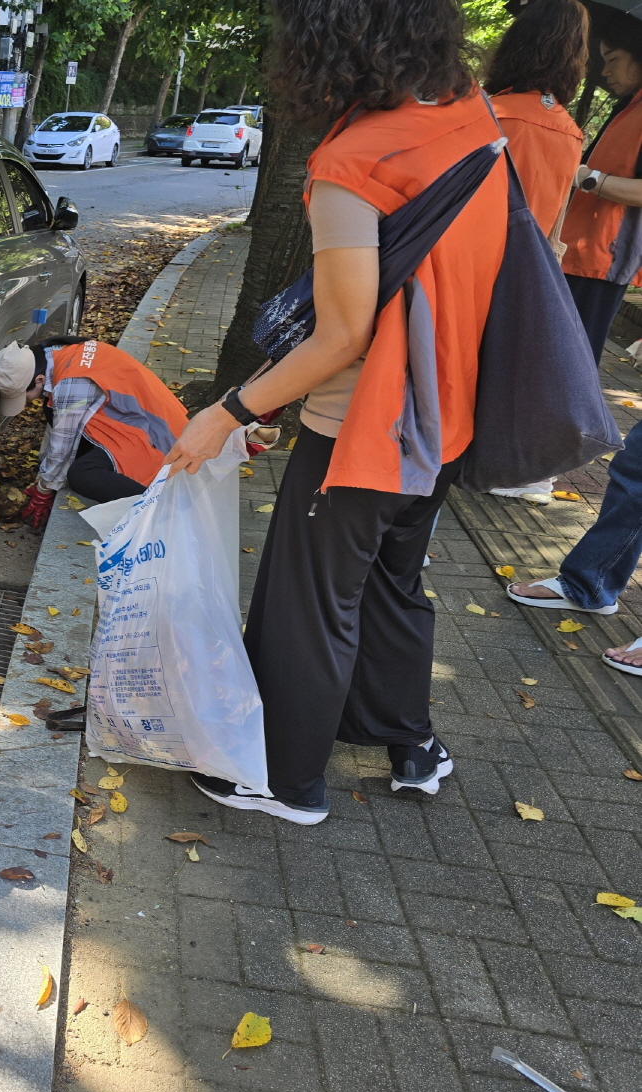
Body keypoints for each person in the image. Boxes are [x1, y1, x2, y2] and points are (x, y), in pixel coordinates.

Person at [163, 0, 509, 824]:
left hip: (364, 429)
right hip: (446, 417)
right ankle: (396, 732)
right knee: (391, 585)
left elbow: (346, 331)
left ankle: (284, 779)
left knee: (307, 602)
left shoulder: (353, 160)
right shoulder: (471, 118)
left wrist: (230, 410)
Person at [507, 11, 642, 675]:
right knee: (636, 466)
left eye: (614, 58)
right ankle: (592, 580)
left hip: (603, 257)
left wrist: (588, 180)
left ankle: (540, 474)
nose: (605, 68)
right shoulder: (630, 107)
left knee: (576, 377)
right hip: (587, 256)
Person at [484, 0, 590, 506]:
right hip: (534, 267)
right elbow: (559, 213)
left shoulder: (490, 114)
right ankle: (519, 467)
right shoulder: (570, 131)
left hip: (478, 261)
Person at [0, 337, 188, 528]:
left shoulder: (72, 381)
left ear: (39, 378)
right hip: (144, 420)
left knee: (82, 475)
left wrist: (44, 488)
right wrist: (46, 475)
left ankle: (159, 508)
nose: (27, 401)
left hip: (155, 437)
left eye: (25, 395)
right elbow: (60, 425)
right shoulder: (60, 353)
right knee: (51, 408)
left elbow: (61, 445)